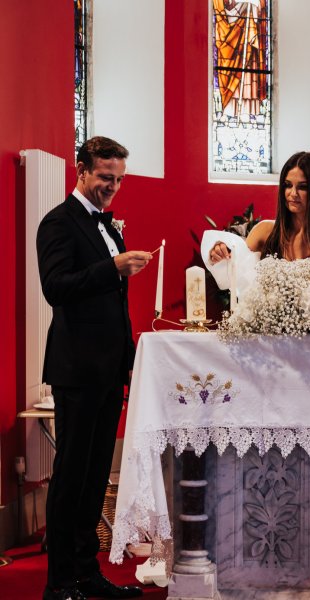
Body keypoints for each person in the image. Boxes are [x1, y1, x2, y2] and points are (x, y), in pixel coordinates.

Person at [37, 136, 152, 600]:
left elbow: (112, 305)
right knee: (70, 478)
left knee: (94, 479)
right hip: (76, 369)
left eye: (119, 180)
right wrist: (114, 267)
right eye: (106, 178)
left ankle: (88, 575)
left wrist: (127, 360)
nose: (113, 187)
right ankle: (60, 583)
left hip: (106, 372)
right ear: (82, 171)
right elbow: (56, 287)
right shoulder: (58, 223)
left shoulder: (108, 227)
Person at [202, 151, 310, 294]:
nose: (293, 194)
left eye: (303, 187)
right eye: (288, 185)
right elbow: (237, 269)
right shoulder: (265, 231)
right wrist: (220, 252)